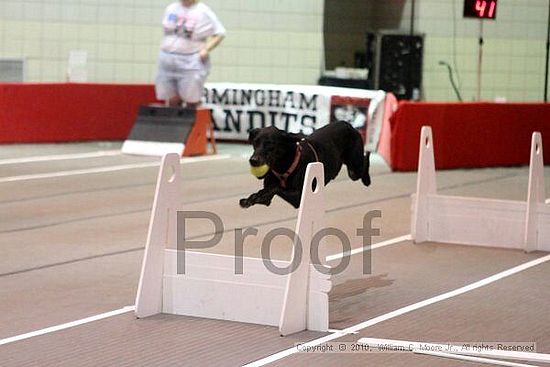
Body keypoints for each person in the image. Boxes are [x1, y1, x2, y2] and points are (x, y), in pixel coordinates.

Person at [155, 0, 225, 108]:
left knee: (191, 98)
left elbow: (220, 33)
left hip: (190, 60)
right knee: (172, 98)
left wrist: (206, 49)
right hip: (167, 58)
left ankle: (193, 122)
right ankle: (174, 122)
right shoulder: (171, 8)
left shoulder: (203, 11)